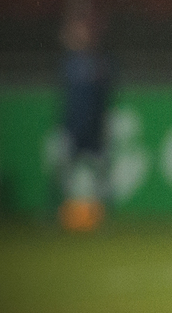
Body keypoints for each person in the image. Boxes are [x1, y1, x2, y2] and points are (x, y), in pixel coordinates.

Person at [57, 12, 115, 231]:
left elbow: (106, 97)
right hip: (73, 128)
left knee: (100, 172)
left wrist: (103, 125)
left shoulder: (101, 62)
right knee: (64, 171)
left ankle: (100, 216)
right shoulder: (70, 63)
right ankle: (61, 214)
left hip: (94, 129)